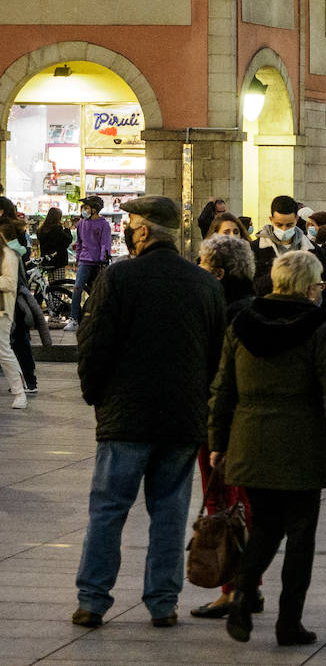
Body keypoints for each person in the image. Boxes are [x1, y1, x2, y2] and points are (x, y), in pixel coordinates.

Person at [72, 195, 227, 628]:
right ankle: (162, 602)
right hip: (182, 419)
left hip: (126, 418)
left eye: (131, 224)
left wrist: (96, 396)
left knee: (108, 510)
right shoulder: (205, 284)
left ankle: (93, 599)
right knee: (170, 512)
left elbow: (94, 342)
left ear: (142, 232)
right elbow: (219, 357)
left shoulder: (120, 278)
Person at [208, 250, 326, 646]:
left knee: (265, 526)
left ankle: (242, 597)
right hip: (300, 441)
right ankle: (289, 622)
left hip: (249, 437)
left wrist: (217, 442)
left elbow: (222, 388)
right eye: (319, 284)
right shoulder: (319, 326)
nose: (321, 290)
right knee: (300, 533)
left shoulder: (242, 322)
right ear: (308, 286)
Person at [189, 234, 260, 620]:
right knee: (242, 501)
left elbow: (217, 374)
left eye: (202, 263)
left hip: (220, 420)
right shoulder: (251, 306)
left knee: (222, 502)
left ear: (217, 271)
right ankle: (250, 584)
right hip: (246, 420)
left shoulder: (223, 311)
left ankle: (234, 590)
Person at [252, 196, 326, 313]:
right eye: (279, 225)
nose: (284, 229)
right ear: (271, 219)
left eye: (289, 225)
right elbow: (251, 287)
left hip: (305, 316)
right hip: (267, 316)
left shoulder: (313, 250)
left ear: (296, 218)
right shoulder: (255, 249)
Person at [66, 195, 111, 331]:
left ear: (95, 209)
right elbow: (79, 243)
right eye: (83, 208)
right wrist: (79, 258)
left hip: (98, 262)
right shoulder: (81, 224)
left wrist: (103, 259)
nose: (84, 210)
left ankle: (98, 318)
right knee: (77, 288)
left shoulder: (104, 224)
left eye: (86, 208)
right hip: (84, 261)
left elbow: (105, 243)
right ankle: (74, 319)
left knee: (97, 291)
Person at [0, 220, 30, 409]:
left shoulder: (8, 255)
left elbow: (10, 283)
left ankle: (20, 392)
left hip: (2, 311)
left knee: (3, 352)